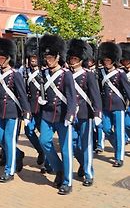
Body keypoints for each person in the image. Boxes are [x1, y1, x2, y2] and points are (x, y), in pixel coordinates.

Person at [38, 34, 77, 195]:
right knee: (44, 141)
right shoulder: (44, 74)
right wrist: (40, 100)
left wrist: (70, 115)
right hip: (47, 115)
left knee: (66, 149)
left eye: (51, 56)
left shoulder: (66, 74)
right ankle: (59, 168)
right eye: (46, 56)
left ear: (58, 57)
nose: (48, 59)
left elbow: (72, 97)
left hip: (62, 116)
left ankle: (67, 181)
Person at [0, 38, 31, 183]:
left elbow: (22, 94)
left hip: (13, 113)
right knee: (1, 139)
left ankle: (10, 170)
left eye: (2, 58)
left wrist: (26, 113)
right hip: (0, 111)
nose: (0, 60)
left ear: (8, 58)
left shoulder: (15, 75)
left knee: (8, 139)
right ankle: (18, 154)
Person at [67, 39, 102, 186]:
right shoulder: (66, 74)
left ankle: (88, 173)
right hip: (70, 116)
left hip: (84, 114)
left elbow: (95, 95)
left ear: (81, 59)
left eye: (75, 58)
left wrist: (97, 113)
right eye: (71, 58)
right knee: (73, 144)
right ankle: (83, 163)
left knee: (86, 144)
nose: (72, 60)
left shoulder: (88, 75)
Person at [97, 42, 130, 167]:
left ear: (113, 60)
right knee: (105, 128)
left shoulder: (120, 74)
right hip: (105, 106)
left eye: (108, 60)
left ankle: (119, 157)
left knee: (119, 132)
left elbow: (127, 90)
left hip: (118, 106)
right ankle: (118, 147)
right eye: (104, 59)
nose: (106, 62)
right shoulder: (101, 73)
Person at [23, 37, 49, 171]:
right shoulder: (25, 72)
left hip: (43, 108)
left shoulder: (45, 73)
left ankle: (47, 162)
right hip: (31, 107)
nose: (33, 59)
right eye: (31, 56)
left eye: (35, 56)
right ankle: (41, 151)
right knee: (28, 131)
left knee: (44, 135)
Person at [119, 43, 130, 144]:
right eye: (124, 60)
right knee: (126, 124)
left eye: (127, 60)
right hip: (126, 101)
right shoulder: (121, 72)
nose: (125, 62)